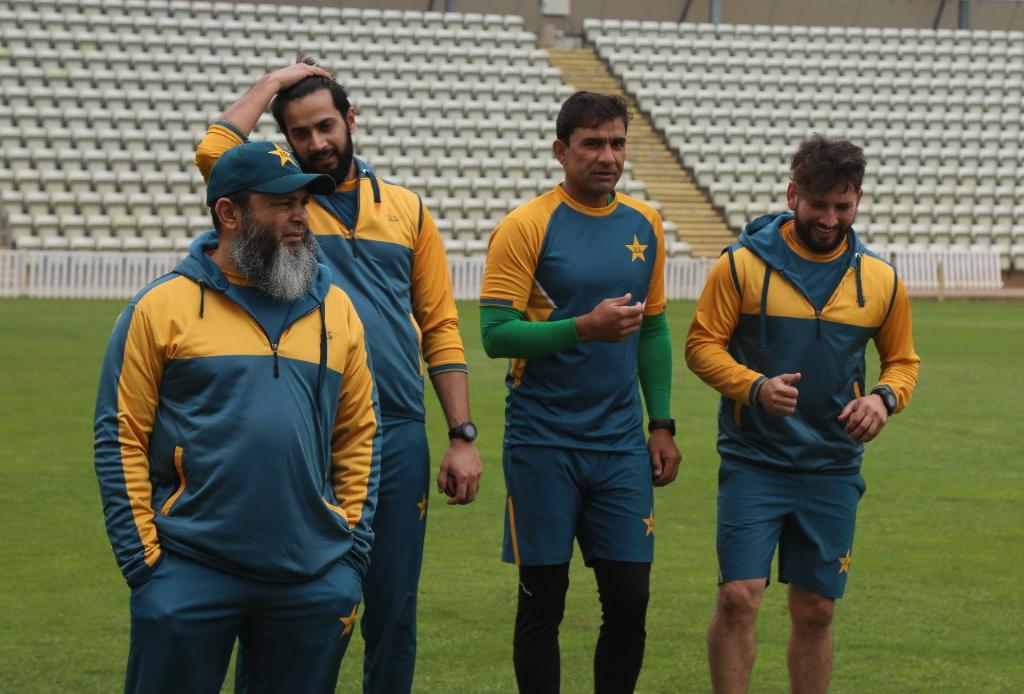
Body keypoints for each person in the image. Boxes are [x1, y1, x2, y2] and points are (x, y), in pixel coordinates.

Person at [194, 59, 482, 694]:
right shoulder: (286, 204)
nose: (317, 143)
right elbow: (215, 154)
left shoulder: (407, 210)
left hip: (400, 433)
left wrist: (461, 433)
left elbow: (439, 325)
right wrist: (272, 83)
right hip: (312, 430)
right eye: (300, 133)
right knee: (301, 607)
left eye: (326, 125)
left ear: (350, 120)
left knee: (393, 608)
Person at [93, 140, 381, 693]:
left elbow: (359, 435)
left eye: (303, 202)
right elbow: (120, 436)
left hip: (312, 574)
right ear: (229, 213)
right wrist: (146, 567)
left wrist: (352, 552)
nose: (300, 217)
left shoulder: (337, 309)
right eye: (280, 203)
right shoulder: (160, 308)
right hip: (188, 569)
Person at [685, 134, 921, 694]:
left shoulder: (881, 281)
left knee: (816, 609)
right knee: (739, 596)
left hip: (832, 467)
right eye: (819, 205)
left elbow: (903, 363)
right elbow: (701, 346)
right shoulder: (740, 266)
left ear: (858, 200)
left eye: (843, 206)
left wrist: (882, 399)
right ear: (794, 195)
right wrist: (754, 387)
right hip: (754, 460)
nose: (830, 218)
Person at [479, 90, 682, 694]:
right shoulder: (526, 225)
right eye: (592, 144)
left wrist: (662, 422)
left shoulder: (644, 222)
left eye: (618, 143)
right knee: (543, 602)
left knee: (629, 601)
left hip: (620, 445)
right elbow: (494, 336)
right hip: (543, 441)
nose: (608, 156)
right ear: (561, 150)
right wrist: (582, 328)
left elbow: (654, 327)